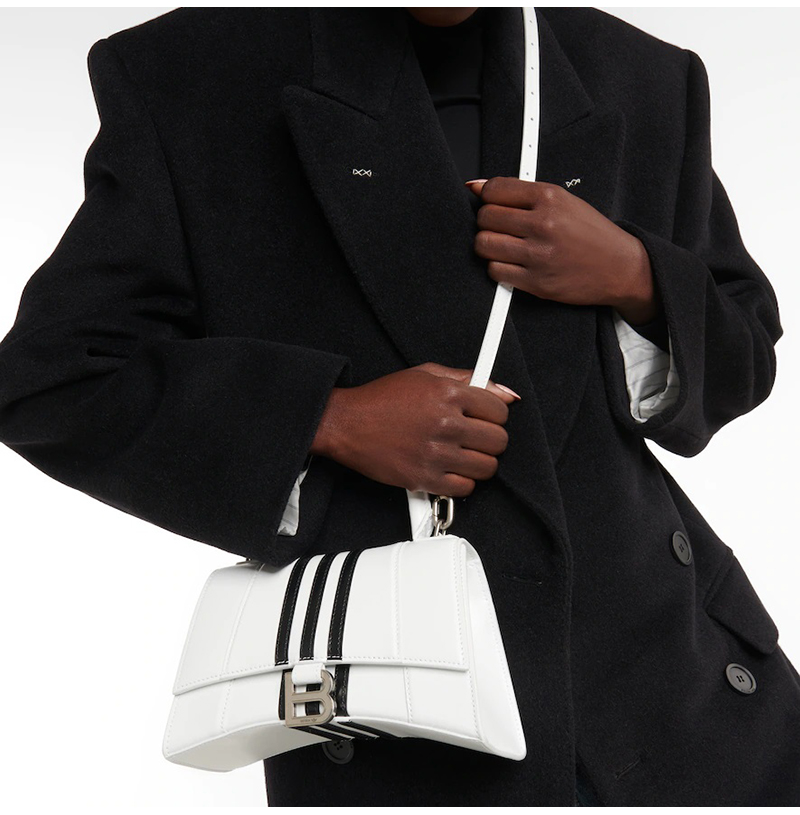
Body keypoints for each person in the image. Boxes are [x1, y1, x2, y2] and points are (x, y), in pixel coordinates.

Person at [0, 6, 797, 806]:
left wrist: (635, 274)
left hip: (686, 700)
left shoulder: (640, 75)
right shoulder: (190, 74)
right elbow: (51, 379)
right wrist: (332, 418)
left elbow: (746, 354)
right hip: (398, 719)